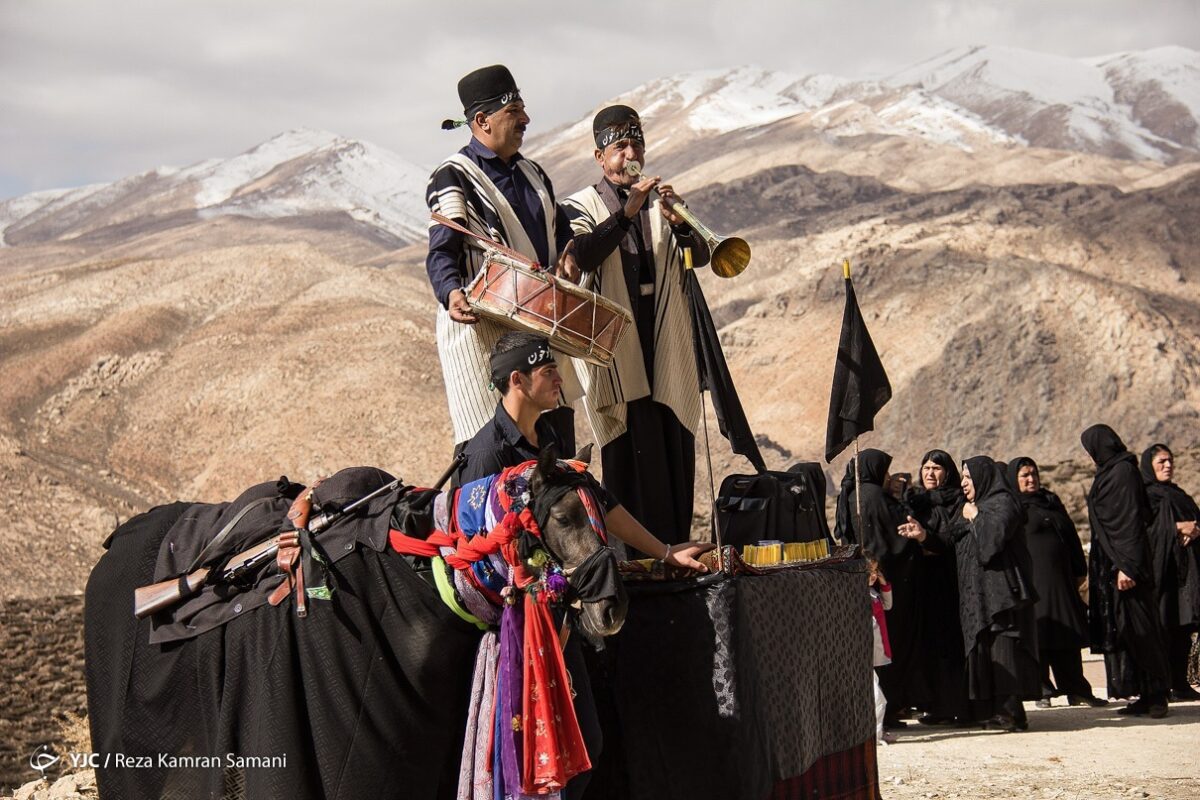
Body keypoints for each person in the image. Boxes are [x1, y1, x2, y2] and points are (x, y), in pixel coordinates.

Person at [457, 331, 713, 798]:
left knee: (583, 746)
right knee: (532, 762)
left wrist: (664, 552)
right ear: (517, 380)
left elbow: (599, 501)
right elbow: (478, 557)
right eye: (548, 370)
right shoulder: (485, 455)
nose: (559, 378)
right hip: (515, 638)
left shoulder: (549, 435)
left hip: (560, 628)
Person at [561, 105, 711, 545]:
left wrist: (683, 227)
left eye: (637, 144)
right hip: (617, 349)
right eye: (620, 146)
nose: (631, 153)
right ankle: (637, 558)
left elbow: (700, 258)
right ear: (598, 156)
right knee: (628, 450)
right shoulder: (581, 205)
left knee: (671, 447)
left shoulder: (661, 203)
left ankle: (677, 550)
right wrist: (627, 213)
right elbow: (581, 255)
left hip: (664, 342)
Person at [426, 64, 579, 451]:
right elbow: (443, 248)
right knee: (494, 458)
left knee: (554, 458)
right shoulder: (453, 176)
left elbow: (562, 233)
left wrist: (569, 256)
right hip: (484, 334)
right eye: (514, 112)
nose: (526, 119)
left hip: (540, 327)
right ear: (482, 120)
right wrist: (451, 293)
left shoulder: (535, 175)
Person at [900, 456, 1040, 732]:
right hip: (978, 595)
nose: (963, 483)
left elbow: (992, 542)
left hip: (999, 593)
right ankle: (995, 711)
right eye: (962, 477)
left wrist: (976, 516)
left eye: (968, 477)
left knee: (1003, 649)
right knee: (987, 651)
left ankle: (1012, 714)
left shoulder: (1002, 503)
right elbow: (949, 541)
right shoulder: (975, 507)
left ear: (983, 478)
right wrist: (923, 536)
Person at [1081, 424, 1171, 718]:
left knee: (1142, 628)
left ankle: (1158, 695)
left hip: (1127, 566)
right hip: (1113, 564)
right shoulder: (1111, 472)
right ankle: (1144, 695)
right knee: (1128, 631)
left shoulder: (1122, 473)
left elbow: (1130, 521)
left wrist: (1126, 566)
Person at [833, 448, 926, 728]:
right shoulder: (874, 497)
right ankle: (891, 709)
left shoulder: (852, 495)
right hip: (884, 584)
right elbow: (897, 538)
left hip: (860, 582)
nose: (888, 477)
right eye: (885, 471)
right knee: (887, 648)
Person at [1007, 457, 1106, 708]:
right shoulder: (1013, 507)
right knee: (1039, 634)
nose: (1031, 479)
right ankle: (1041, 689)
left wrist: (1079, 570)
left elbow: (1071, 535)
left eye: (1034, 474)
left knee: (1067, 634)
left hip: (1061, 582)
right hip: (1034, 583)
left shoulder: (1050, 501)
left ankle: (1077, 689)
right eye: (1025, 476)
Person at [903, 449, 975, 726]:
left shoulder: (958, 501)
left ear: (948, 473)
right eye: (926, 468)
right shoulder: (915, 501)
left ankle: (960, 706)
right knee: (929, 644)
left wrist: (926, 538)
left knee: (951, 643)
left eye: (937, 468)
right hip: (922, 581)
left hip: (950, 579)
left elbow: (954, 538)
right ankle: (937, 706)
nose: (930, 473)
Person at [1140, 443, 1200, 701]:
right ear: (1149, 466)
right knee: (1162, 627)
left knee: (1183, 628)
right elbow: (1145, 530)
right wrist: (1177, 528)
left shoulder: (1179, 495)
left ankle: (1180, 682)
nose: (1168, 466)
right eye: (1161, 461)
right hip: (1161, 574)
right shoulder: (1146, 496)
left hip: (1185, 575)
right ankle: (1160, 686)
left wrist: (1195, 528)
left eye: (1170, 461)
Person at [868, 555, 898, 745]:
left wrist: (883, 582)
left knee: (878, 692)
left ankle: (878, 730)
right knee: (875, 696)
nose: (872, 575)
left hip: (878, 650)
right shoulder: (855, 595)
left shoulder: (873, 594)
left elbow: (888, 605)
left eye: (874, 571)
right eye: (868, 571)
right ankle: (874, 733)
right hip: (867, 652)